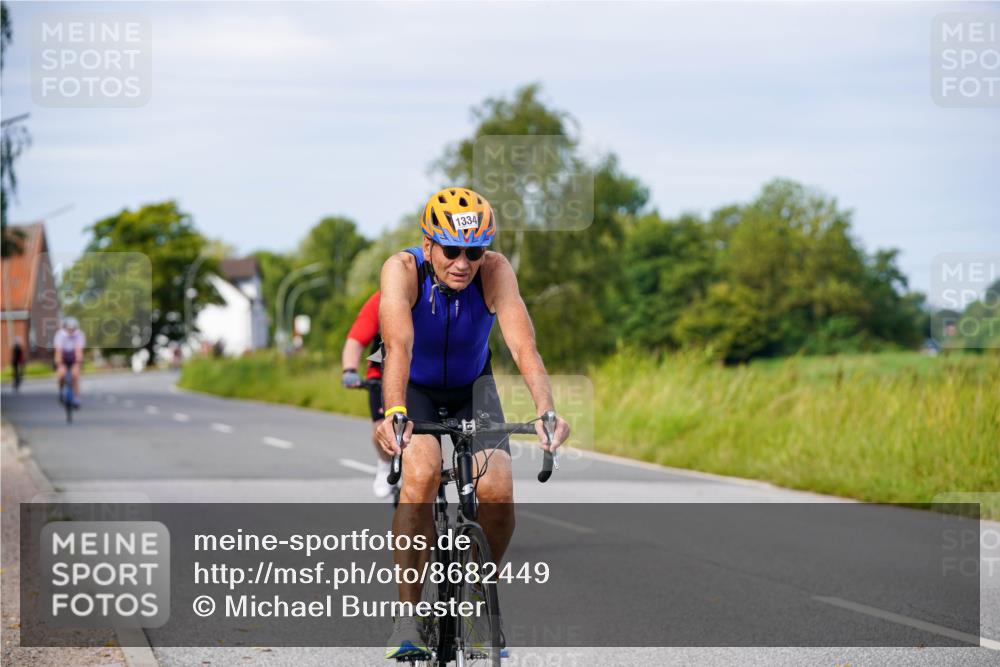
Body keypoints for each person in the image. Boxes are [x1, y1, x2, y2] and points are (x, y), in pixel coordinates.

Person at [377, 188, 570, 658]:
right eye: (452, 250)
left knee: (498, 490)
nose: (464, 262)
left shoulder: (495, 272)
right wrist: (395, 411)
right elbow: (398, 347)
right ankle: (409, 617)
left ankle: (478, 596)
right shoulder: (402, 271)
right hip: (416, 388)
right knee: (420, 477)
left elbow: (524, 348)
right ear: (428, 247)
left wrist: (546, 409)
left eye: (475, 251)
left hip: (473, 388)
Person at [341, 290, 395, 498]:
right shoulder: (380, 300)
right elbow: (356, 340)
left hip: (423, 374)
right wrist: (349, 370)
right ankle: (384, 464)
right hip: (382, 374)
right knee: (381, 428)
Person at [54, 317, 85, 407]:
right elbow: (58, 351)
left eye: (72, 329)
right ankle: (61, 391)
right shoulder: (60, 335)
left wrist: (78, 363)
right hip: (63, 356)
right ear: (65, 328)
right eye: (69, 329)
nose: (71, 331)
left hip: (73, 356)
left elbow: (79, 350)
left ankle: (76, 397)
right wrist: (60, 365)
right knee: (61, 374)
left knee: (75, 375)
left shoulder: (79, 335)